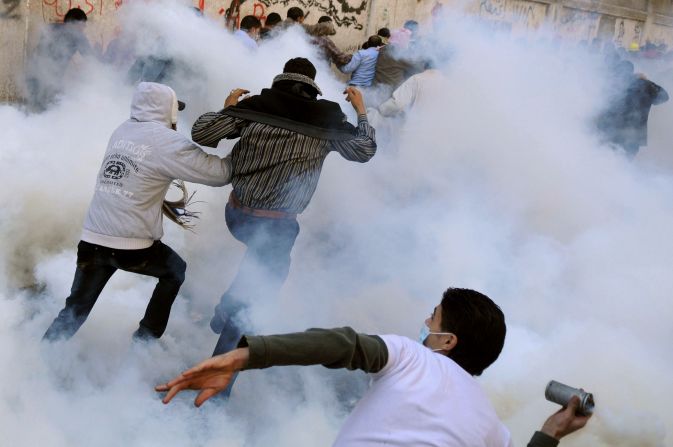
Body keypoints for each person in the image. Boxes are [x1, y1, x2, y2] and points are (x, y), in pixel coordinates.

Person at [156, 288, 591, 446]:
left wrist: (243, 356)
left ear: (447, 342)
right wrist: (551, 431)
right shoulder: (490, 426)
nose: (424, 323)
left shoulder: (410, 354)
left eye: (432, 318)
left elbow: (342, 344)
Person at [191, 57, 376, 359]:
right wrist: (361, 111)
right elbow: (365, 150)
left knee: (257, 265)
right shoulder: (327, 119)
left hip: (236, 215)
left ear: (281, 80)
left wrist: (228, 107)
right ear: (314, 88)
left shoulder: (257, 107)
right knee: (256, 296)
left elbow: (202, 133)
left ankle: (224, 309)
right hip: (276, 226)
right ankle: (220, 372)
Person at [43, 82, 232, 342]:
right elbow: (220, 173)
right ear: (168, 112)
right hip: (132, 247)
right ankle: (145, 338)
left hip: (92, 240)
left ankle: (43, 359)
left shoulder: (121, 130)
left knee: (74, 310)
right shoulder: (166, 141)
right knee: (174, 271)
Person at [25, 8, 93, 111]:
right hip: (46, 79)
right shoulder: (78, 36)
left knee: (36, 111)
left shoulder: (50, 28)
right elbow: (90, 57)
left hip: (35, 74)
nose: (84, 27)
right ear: (74, 23)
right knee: (50, 110)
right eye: (82, 24)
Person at [597, 61, 669, 158]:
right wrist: (647, 81)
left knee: (613, 160)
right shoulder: (645, 85)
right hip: (634, 133)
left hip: (614, 133)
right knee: (627, 162)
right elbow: (664, 97)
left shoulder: (613, 86)